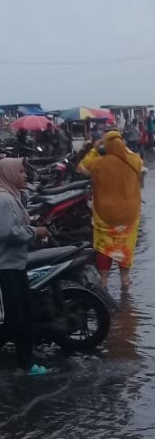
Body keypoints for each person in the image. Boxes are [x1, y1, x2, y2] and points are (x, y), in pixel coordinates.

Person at [0, 158, 49, 375]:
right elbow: (8, 232)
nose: (25, 175)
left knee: (26, 316)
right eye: (20, 172)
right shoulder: (4, 200)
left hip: (16, 265)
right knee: (13, 319)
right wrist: (34, 232)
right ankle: (24, 364)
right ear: (9, 174)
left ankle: (26, 365)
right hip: (6, 267)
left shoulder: (14, 197)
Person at [79, 131, 143, 290]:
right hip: (129, 216)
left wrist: (95, 148)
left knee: (104, 249)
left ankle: (104, 282)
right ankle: (125, 280)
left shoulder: (99, 163)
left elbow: (81, 168)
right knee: (125, 248)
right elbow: (138, 162)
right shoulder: (134, 161)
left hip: (104, 215)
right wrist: (124, 147)